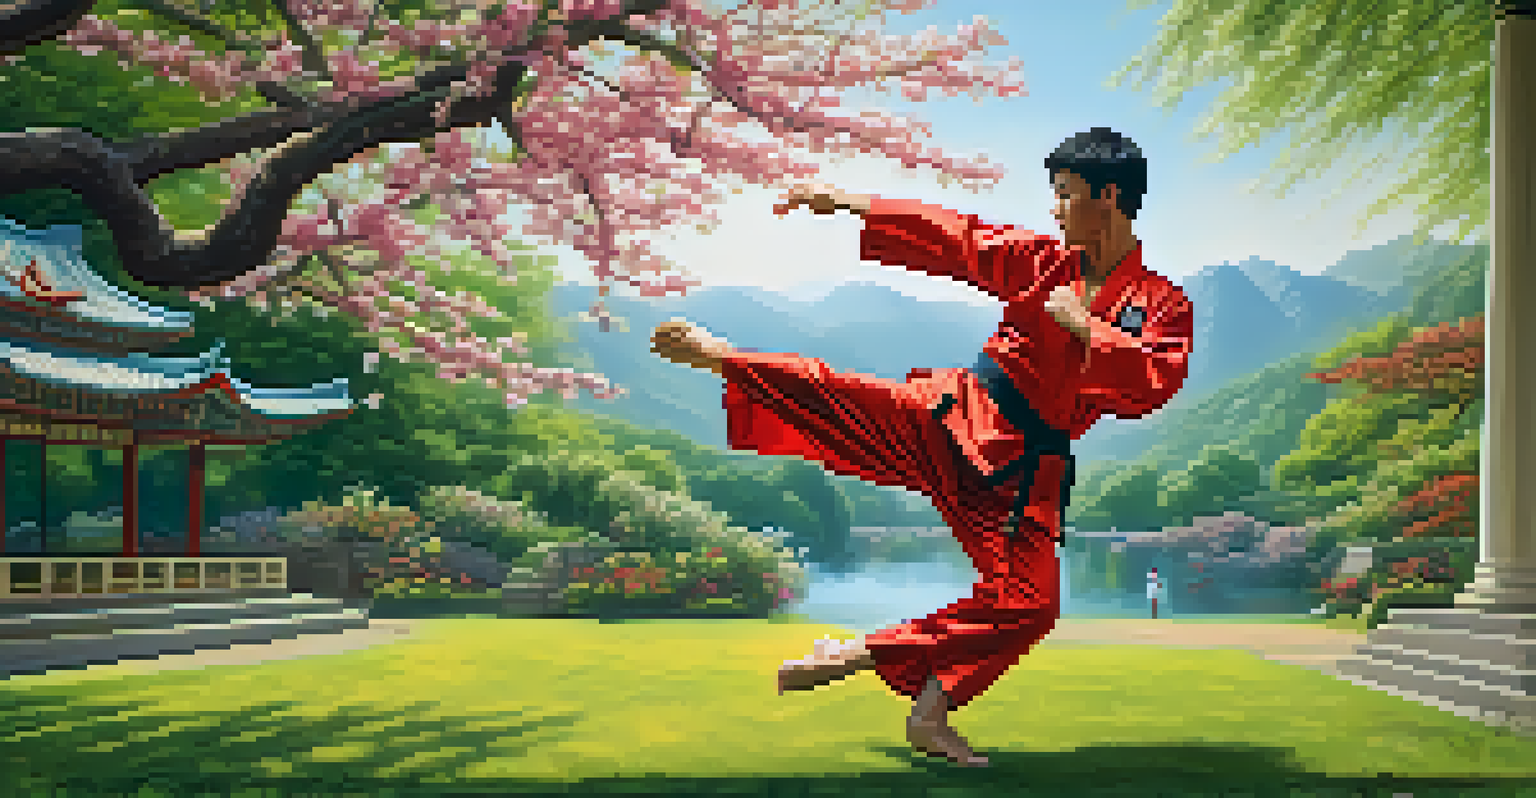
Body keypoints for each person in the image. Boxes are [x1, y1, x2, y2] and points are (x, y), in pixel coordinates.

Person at [651, 128, 1193, 767]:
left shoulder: (1161, 303)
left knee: (1029, 607)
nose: (1054, 208)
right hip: (963, 417)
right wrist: (852, 204)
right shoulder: (1042, 259)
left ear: (1107, 198)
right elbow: (958, 237)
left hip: (1026, 471)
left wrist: (1086, 329)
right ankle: (720, 357)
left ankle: (914, 701)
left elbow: (1155, 380)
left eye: (1065, 194)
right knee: (845, 396)